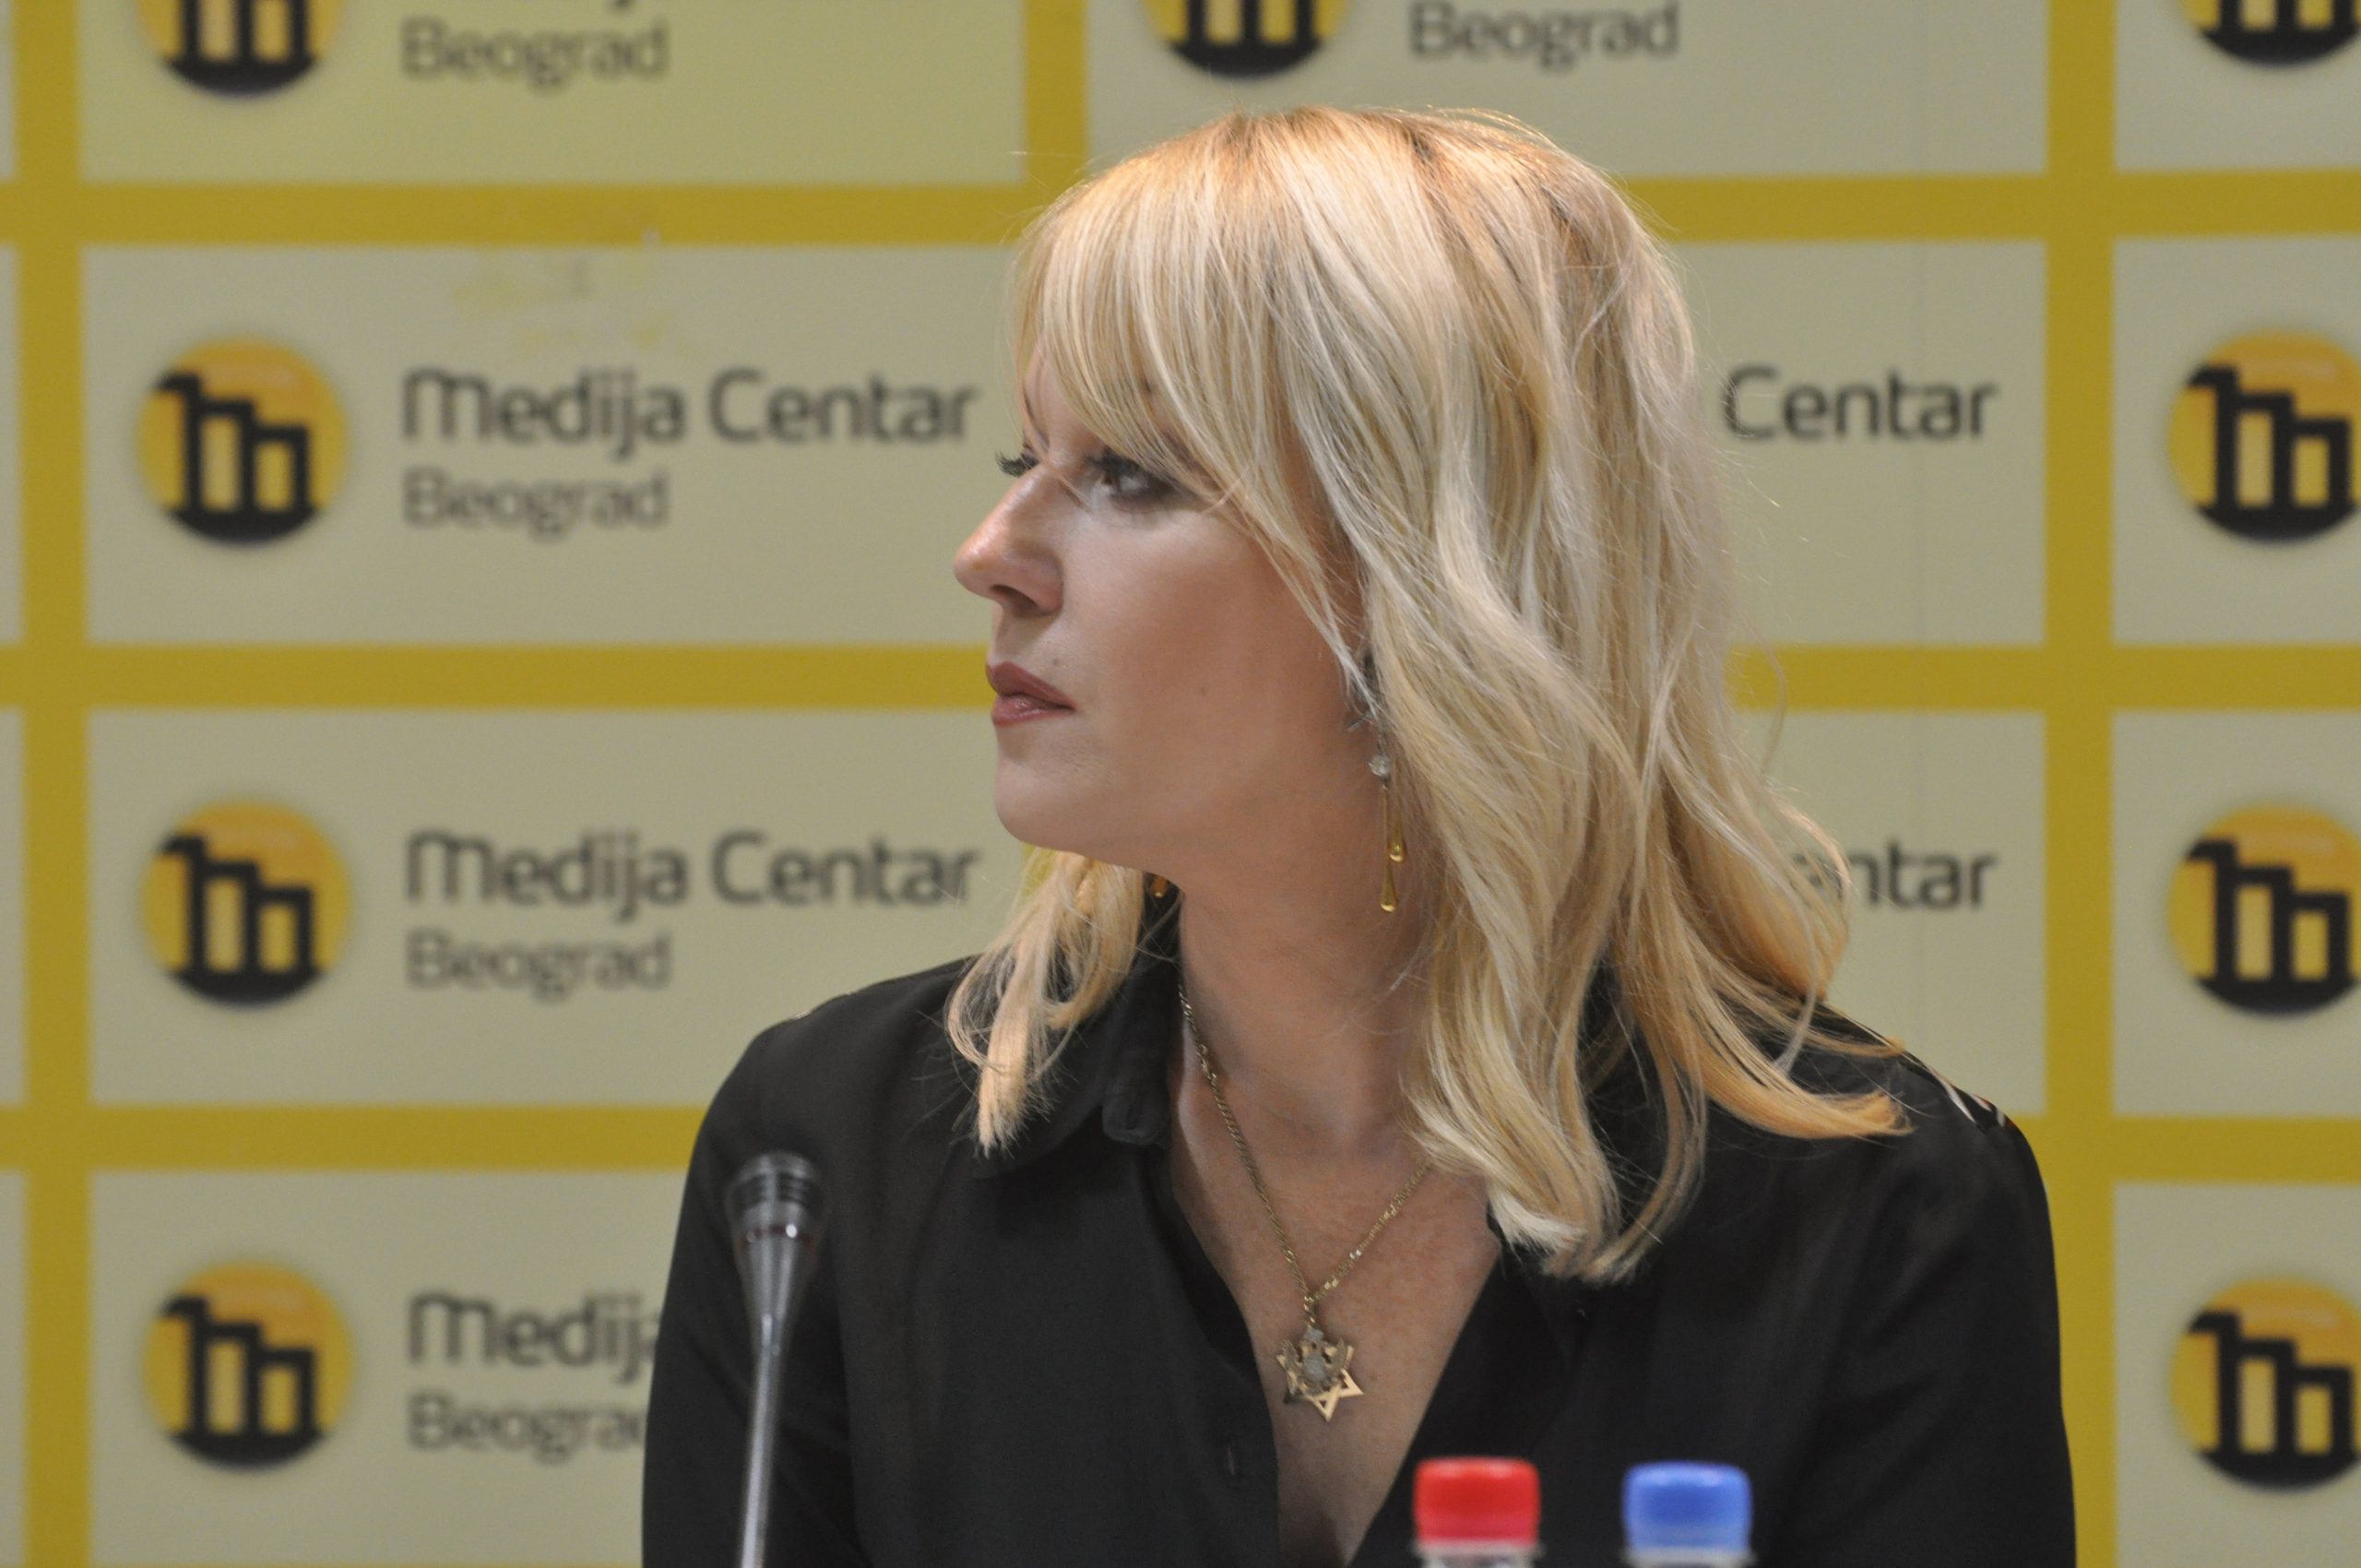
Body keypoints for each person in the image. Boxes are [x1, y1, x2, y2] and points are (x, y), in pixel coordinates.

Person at [641, 104, 2075, 1568]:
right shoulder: (825, 1155)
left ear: (1426, 574)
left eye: (1129, 473)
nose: (990, 555)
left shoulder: (1882, 1217)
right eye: (1026, 454)